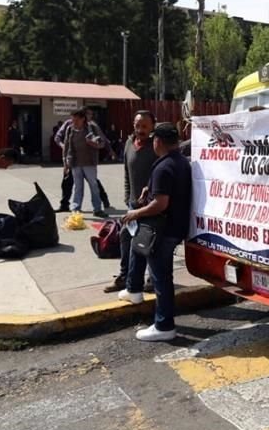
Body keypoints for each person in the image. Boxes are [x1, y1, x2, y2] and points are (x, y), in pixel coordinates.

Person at [118, 122, 192, 342]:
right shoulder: (179, 162)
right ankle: (134, 290)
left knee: (161, 279)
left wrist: (136, 213)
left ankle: (164, 325)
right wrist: (148, 189)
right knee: (139, 252)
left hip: (162, 230)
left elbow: (160, 204)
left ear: (158, 141)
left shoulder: (163, 167)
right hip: (174, 227)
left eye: (154, 140)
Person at [103, 110, 157, 294]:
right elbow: (127, 173)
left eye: (144, 126)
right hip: (133, 204)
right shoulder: (128, 143)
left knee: (151, 243)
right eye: (137, 125)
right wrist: (128, 197)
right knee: (125, 236)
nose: (140, 129)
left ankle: (152, 279)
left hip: (151, 206)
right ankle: (124, 276)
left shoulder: (156, 146)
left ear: (152, 127)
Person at [54, 109, 110, 212]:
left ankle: (97, 209)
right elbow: (67, 146)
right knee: (77, 186)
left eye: (76, 120)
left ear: (83, 119)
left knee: (94, 186)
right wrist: (65, 163)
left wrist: (93, 143)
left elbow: (102, 143)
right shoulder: (70, 129)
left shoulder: (92, 128)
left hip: (89, 162)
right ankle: (76, 208)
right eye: (72, 120)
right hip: (75, 163)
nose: (74, 122)